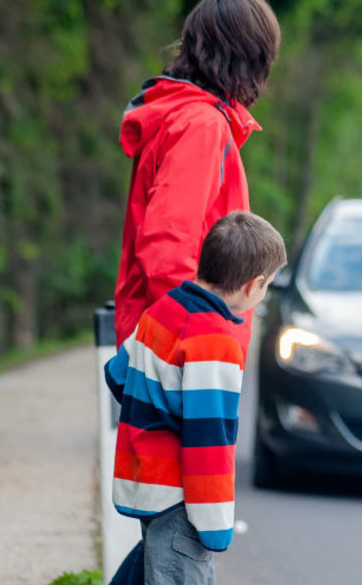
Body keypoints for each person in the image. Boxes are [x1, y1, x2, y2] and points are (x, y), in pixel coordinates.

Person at [104, 211, 287, 585]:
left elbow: (118, 373)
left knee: (151, 571)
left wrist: (156, 413)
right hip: (182, 500)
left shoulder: (165, 310)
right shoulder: (216, 343)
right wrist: (215, 524)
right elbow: (209, 440)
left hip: (148, 484)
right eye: (267, 286)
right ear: (253, 286)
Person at [113, 0, 280, 355]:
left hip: (171, 344)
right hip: (185, 352)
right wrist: (201, 344)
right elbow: (167, 247)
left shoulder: (183, 116)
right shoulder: (200, 125)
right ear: (249, 57)